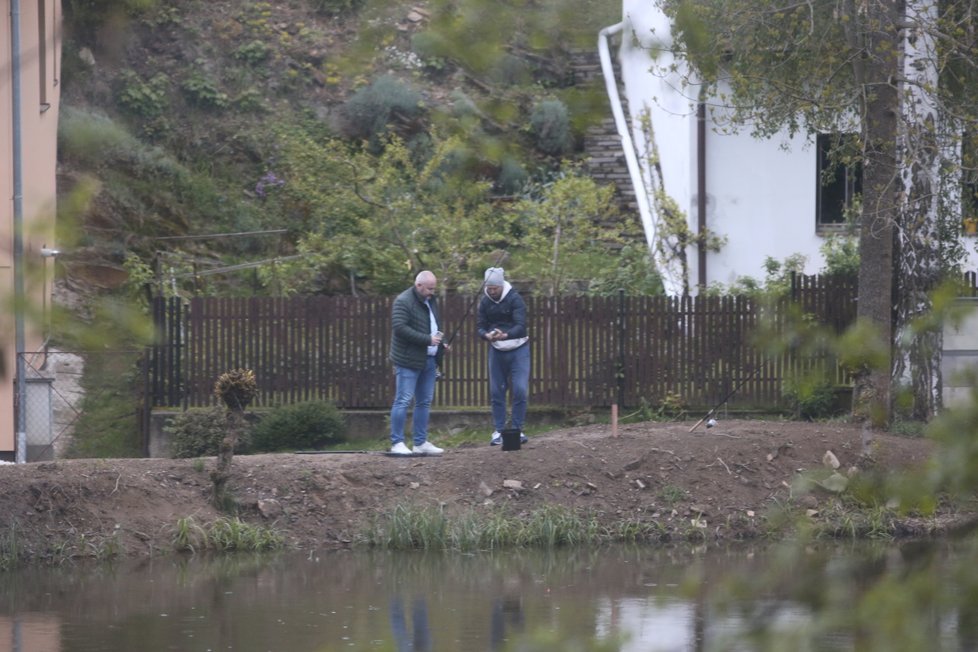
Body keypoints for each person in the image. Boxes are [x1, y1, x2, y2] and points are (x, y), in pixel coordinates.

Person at [388, 270, 445, 456]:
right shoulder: (403, 301)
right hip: (408, 360)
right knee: (403, 400)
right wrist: (427, 340)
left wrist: (441, 344)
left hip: (428, 359)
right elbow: (400, 328)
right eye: (429, 288)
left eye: (434, 289)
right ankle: (397, 442)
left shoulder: (430, 300)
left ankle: (420, 443)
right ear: (418, 285)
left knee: (424, 402)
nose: (432, 292)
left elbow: (433, 325)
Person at [476, 267, 530, 446]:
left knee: (520, 389)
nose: (492, 291)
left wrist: (506, 335)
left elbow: (521, 326)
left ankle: (517, 428)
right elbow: (480, 326)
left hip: (518, 348)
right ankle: (498, 430)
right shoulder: (484, 302)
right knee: (496, 391)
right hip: (497, 350)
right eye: (489, 288)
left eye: (495, 288)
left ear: (501, 285)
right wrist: (487, 335)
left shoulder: (515, 299)